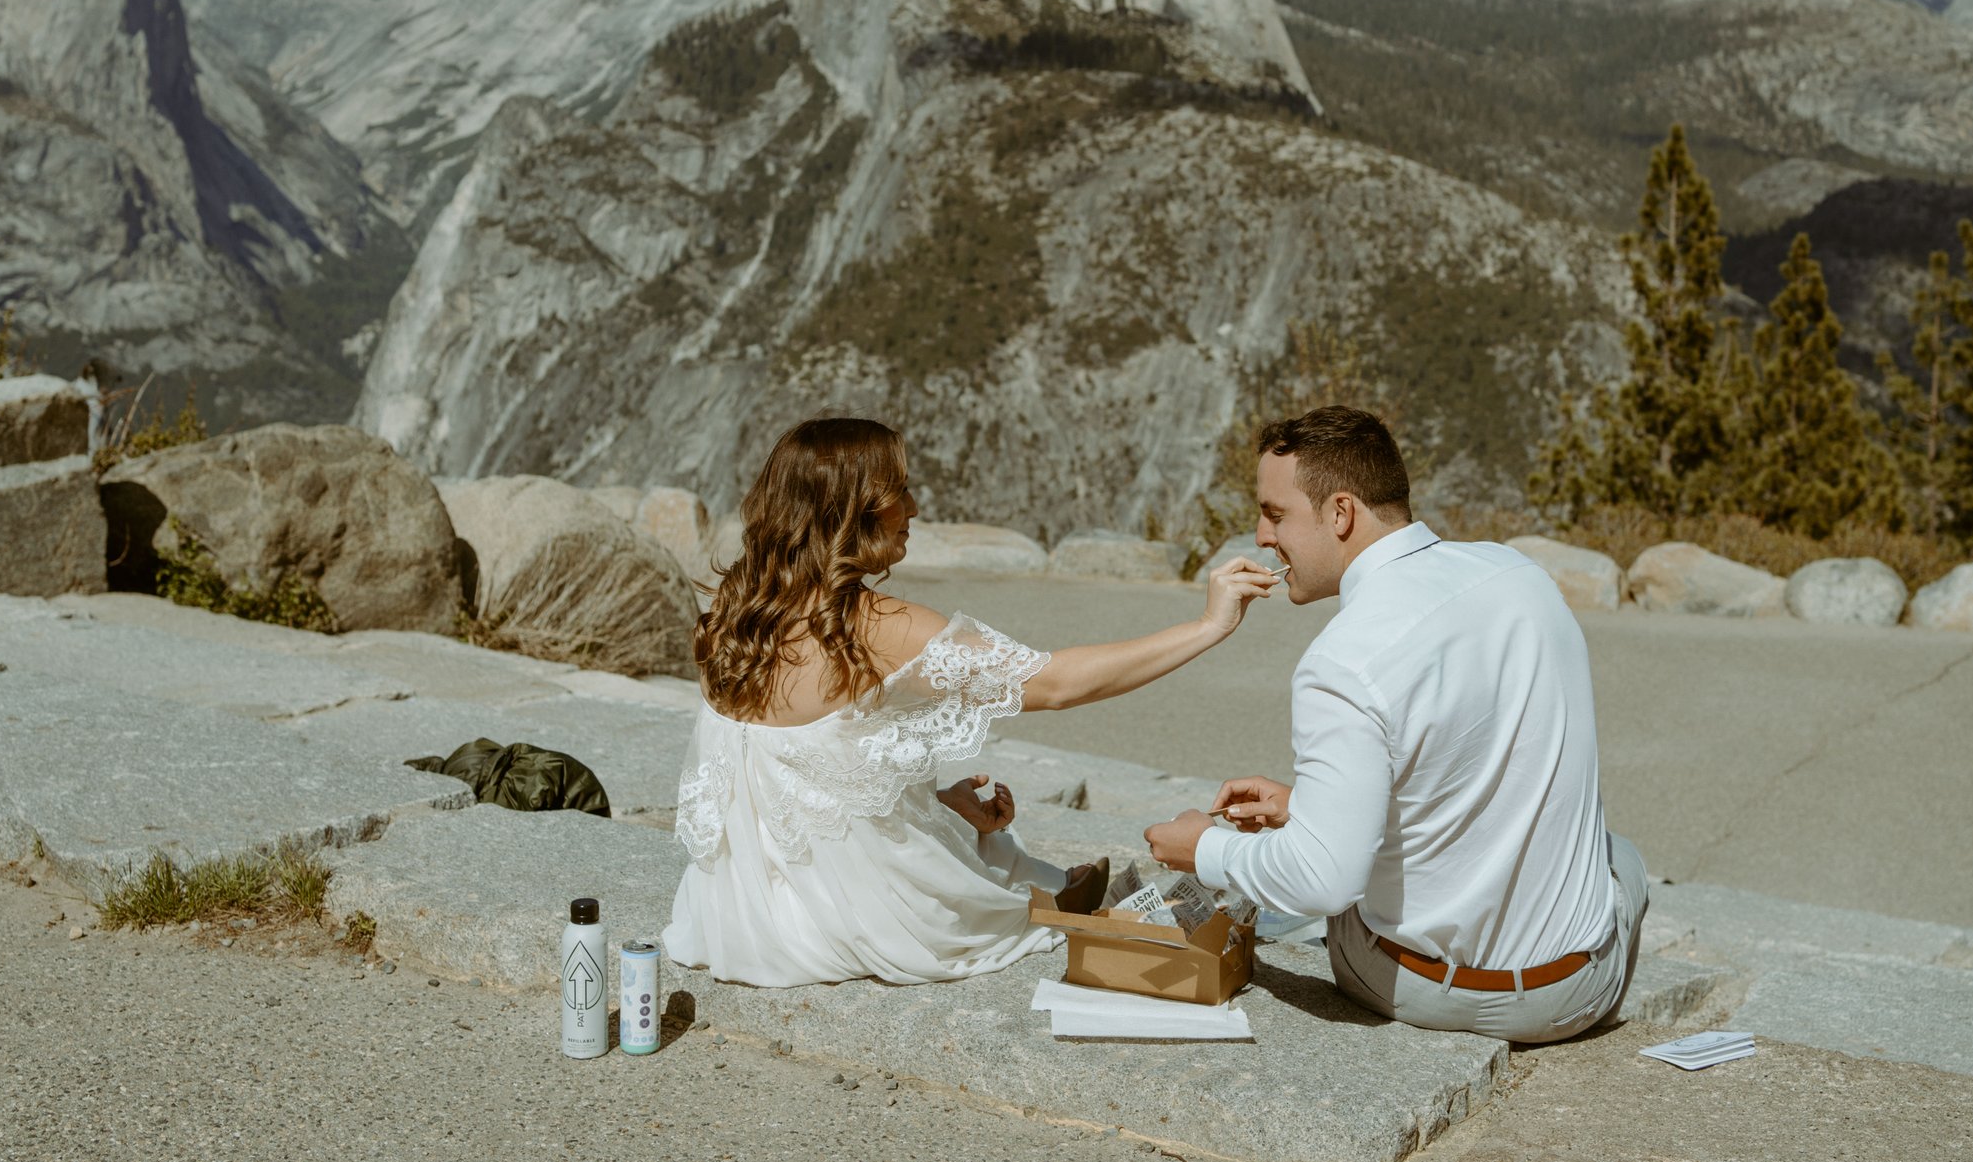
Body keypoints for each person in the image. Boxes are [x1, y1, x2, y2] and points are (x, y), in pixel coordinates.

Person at [664, 416, 1275, 987]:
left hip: (731, 915)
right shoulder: (873, 626)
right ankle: (1050, 897)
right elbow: (1056, 683)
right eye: (897, 492)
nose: (914, 508)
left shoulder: (732, 617)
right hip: (845, 920)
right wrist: (1207, 626)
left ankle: (1036, 879)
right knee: (1017, 892)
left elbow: (795, 774)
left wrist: (935, 805)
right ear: (849, 512)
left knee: (976, 838)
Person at [1143, 406, 1645, 1042]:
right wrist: (1308, 809)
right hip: (1574, 995)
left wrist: (1202, 849)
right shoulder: (1521, 576)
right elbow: (1471, 771)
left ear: (1341, 514)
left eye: (1274, 515)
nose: (1262, 537)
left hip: (1419, 986)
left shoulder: (1342, 658)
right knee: (1617, 854)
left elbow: (1325, 882)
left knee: (1341, 887)